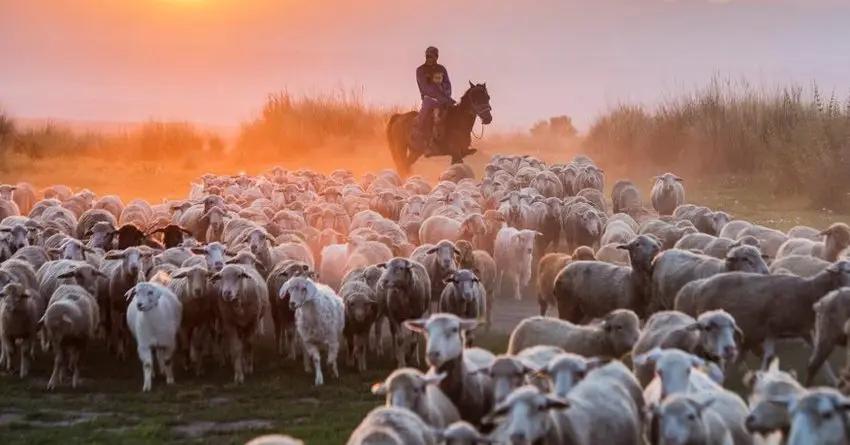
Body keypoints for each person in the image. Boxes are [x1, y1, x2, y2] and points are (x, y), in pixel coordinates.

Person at [413, 46, 454, 155]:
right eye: (428, 56)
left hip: (444, 99)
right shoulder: (421, 70)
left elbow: (447, 84)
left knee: (454, 113)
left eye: (432, 56)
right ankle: (421, 141)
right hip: (429, 99)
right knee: (424, 118)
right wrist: (440, 97)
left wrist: (447, 95)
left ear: (436, 57)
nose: (430, 58)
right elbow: (426, 87)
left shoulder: (441, 69)